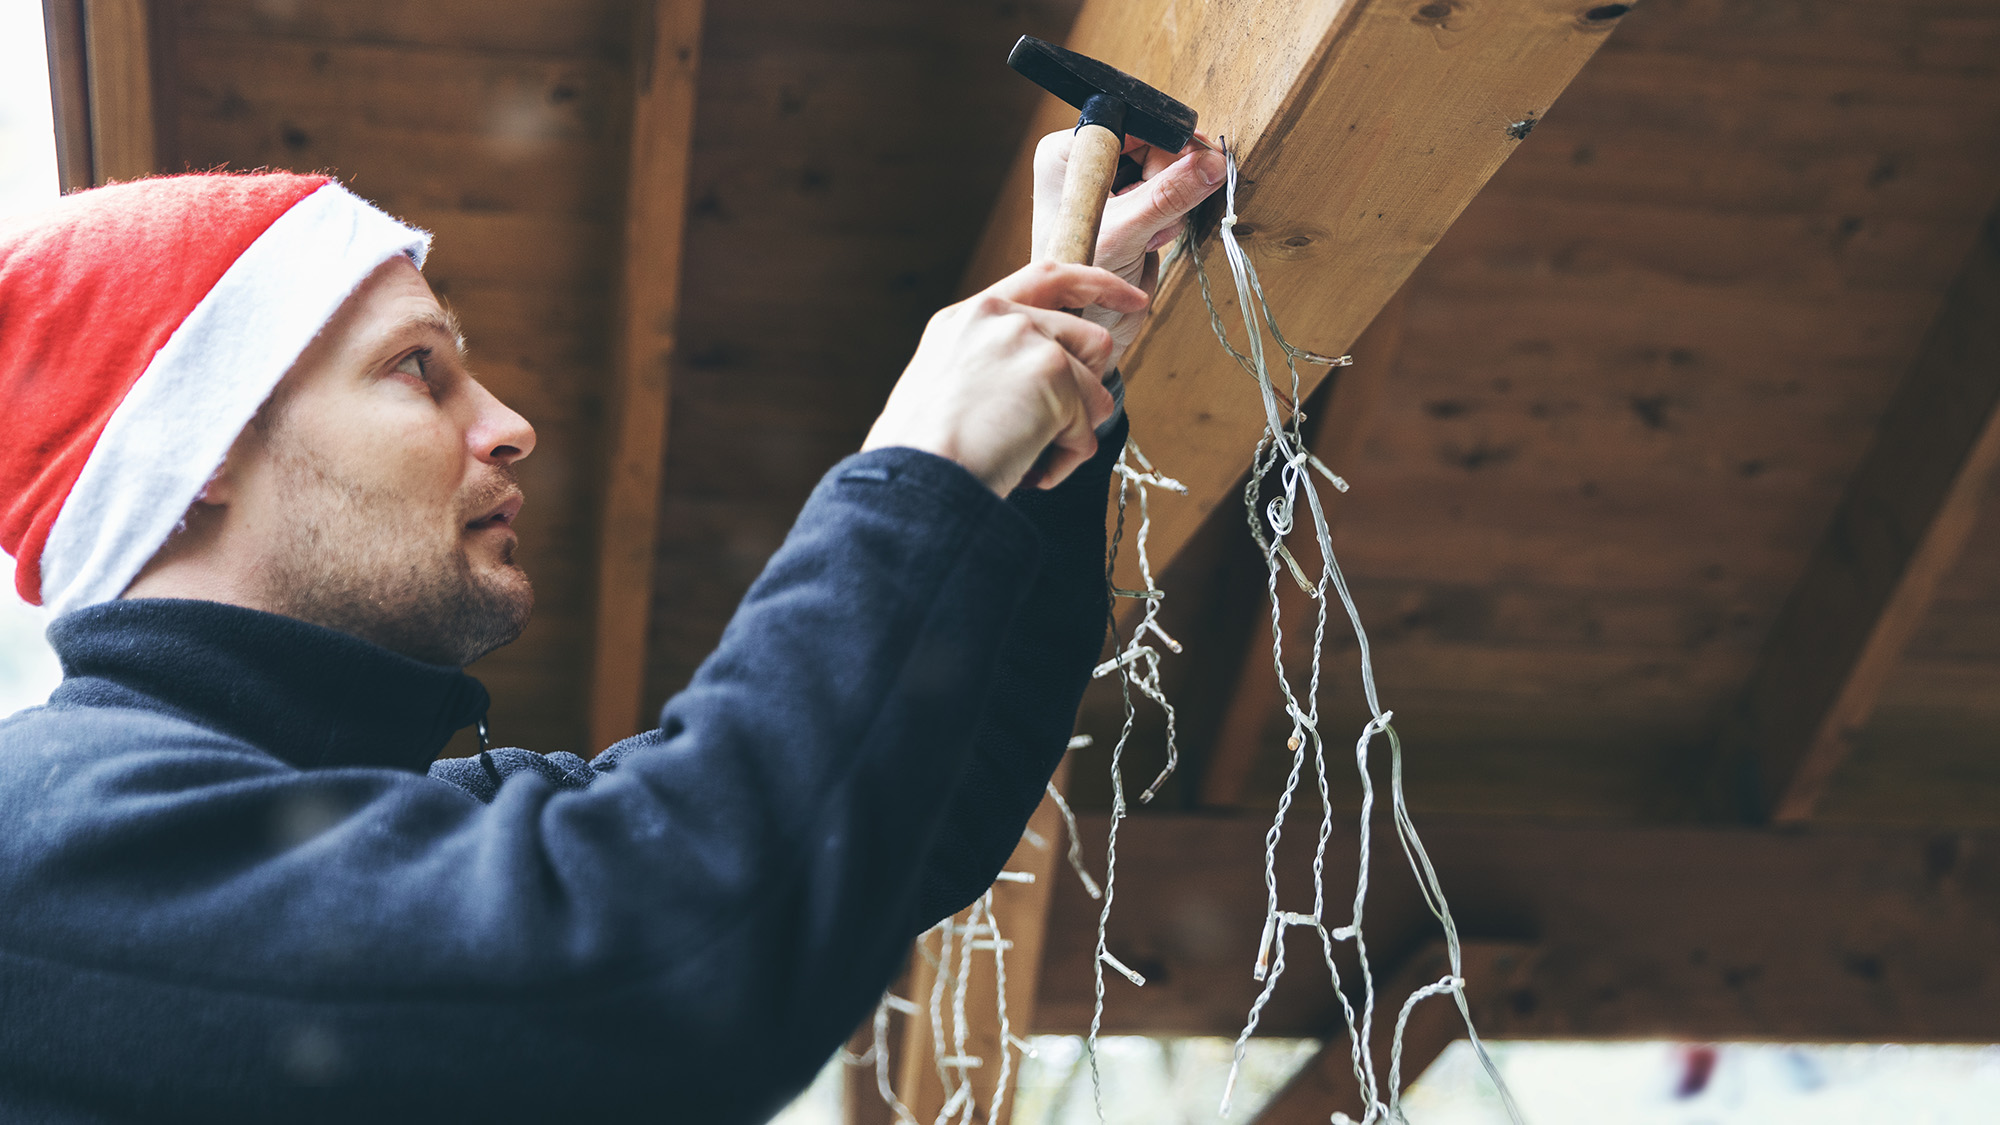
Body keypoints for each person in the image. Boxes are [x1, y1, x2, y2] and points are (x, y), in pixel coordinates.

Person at [0, 128, 1224, 1122]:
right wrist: (924, 461)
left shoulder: (402, 810)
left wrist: (1036, 411)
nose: (509, 423)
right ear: (198, 452)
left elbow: (907, 811)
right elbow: (656, 954)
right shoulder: (40, 829)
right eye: (418, 368)